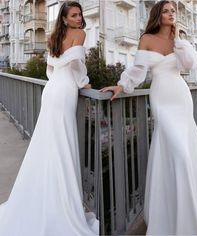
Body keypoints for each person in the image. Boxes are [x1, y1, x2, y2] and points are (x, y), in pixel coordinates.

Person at [101, 1, 197, 235]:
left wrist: (180, 42)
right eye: (166, 10)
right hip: (161, 97)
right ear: (157, 14)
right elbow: (138, 71)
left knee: (184, 151)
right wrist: (121, 86)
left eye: (173, 11)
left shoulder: (179, 41)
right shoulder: (147, 39)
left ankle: (189, 209)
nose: (171, 14)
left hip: (180, 95)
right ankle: (172, 212)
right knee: (174, 150)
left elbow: (190, 65)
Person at [0, 2, 99, 235]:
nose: (78, 18)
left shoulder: (55, 37)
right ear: (64, 19)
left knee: (48, 142)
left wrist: (64, 79)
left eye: (79, 14)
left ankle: (44, 195)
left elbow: (50, 70)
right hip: (64, 92)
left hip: (52, 89)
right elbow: (76, 64)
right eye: (73, 15)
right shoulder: (80, 34)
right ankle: (61, 200)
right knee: (62, 141)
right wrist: (84, 83)